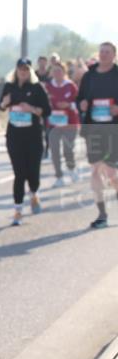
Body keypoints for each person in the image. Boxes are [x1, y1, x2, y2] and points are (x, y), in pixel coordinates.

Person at [0, 59, 51, 225]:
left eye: (26, 69)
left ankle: (34, 193)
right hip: (14, 136)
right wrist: (4, 103)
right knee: (19, 174)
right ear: (16, 70)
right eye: (20, 68)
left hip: (33, 136)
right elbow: (0, 106)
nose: (23, 71)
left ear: (30, 71)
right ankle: (18, 211)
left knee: (33, 173)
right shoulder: (9, 86)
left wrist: (32, 109)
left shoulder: (36, 88)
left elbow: (47, 111)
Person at [77, 41, 118, 229]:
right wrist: (82, 104)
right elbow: (80, 98)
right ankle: (102, 214)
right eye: (101, 51)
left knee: (110, 173)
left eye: (107, 52)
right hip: (93, 129)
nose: (103, 54)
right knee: (95, 170)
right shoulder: (89, 75)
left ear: (114, 55)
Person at [44, 62, 81, 187]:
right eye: (54, 71)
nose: (57, 73)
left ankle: (71, 169)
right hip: (54, 123)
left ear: (64, 72)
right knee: (54, 150)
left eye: (59, 71)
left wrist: (69, 105)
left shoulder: (71, 86)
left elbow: (79, 103)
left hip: (70, 122)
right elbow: (44, 103)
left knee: (67, 150)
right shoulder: (48, 87)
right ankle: (59, 176)